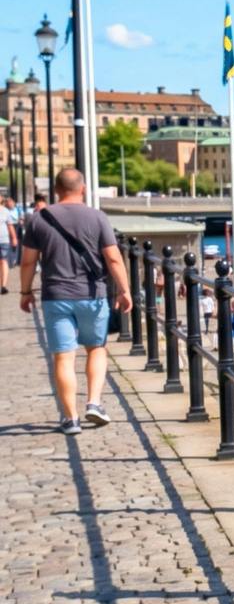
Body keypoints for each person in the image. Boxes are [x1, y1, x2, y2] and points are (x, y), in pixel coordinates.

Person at [16, 169, 133, 435]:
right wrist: (124, 290)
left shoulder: (39, 219)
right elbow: (113, 258)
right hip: (93, 295)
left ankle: (71, 419)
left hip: (56, 296)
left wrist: (25, 292)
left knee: (63, 357)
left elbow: (27, 261)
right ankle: (94, 402)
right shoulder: (97, 217)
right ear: (83, 188)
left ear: (56, 191)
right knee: (96, 348)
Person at [0, 194, 19, 293]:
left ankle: (3, 286)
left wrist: (14, 238)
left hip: (4, 240)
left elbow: (10, 226)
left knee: (3, 261)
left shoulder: (5, 211)